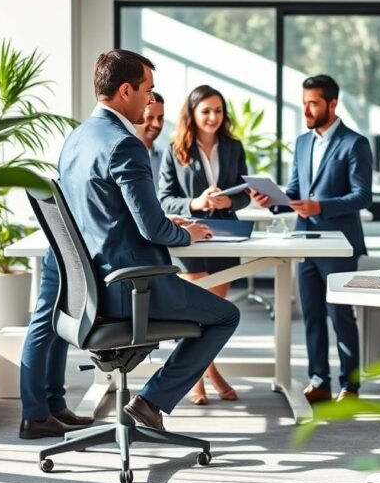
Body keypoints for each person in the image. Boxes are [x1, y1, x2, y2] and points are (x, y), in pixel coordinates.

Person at [19, 49, 239, 439]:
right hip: (127, 286)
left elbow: (99, 207)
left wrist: (157, 217)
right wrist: (185, 233)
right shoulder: (125, 144)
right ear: (125, 91)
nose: (151, 100)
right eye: (148, 91)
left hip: (85, 276)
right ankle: (151, 401)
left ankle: (44, 411)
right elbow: (153, 230)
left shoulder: (78, 136)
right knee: (225, 316)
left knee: (44, 320)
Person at [251, 74, 372, 404]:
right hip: (303, 241)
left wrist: (322, 205)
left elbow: (362, 196)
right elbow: (294, 192)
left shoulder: (355, 143)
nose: (306, 109)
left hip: (339, 243)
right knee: (313, 314)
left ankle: (351, 386)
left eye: (313, 103)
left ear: (332, 104)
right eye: (303, 102)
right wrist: (272, 199)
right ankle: (319, 379)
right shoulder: (303, 143)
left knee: (341, 315)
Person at [158, 85, 250, 405]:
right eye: (206, 111)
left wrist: (229, 198)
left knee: (217, 315)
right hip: (191, 239)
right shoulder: (175, 149)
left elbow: (245, 191)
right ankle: (206, 375)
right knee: (196, 315)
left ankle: (203, 373)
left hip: (226, 235)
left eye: (218, 111)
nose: (213, 117)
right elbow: (164, 199)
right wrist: (196, 203)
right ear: (193, 114)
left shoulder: (233, 147)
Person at [134, 91, 165, 184]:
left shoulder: (164, 158)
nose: (157, 124)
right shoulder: (122, 154)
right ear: (136, 117)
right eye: (150, 117)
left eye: (160, 118)